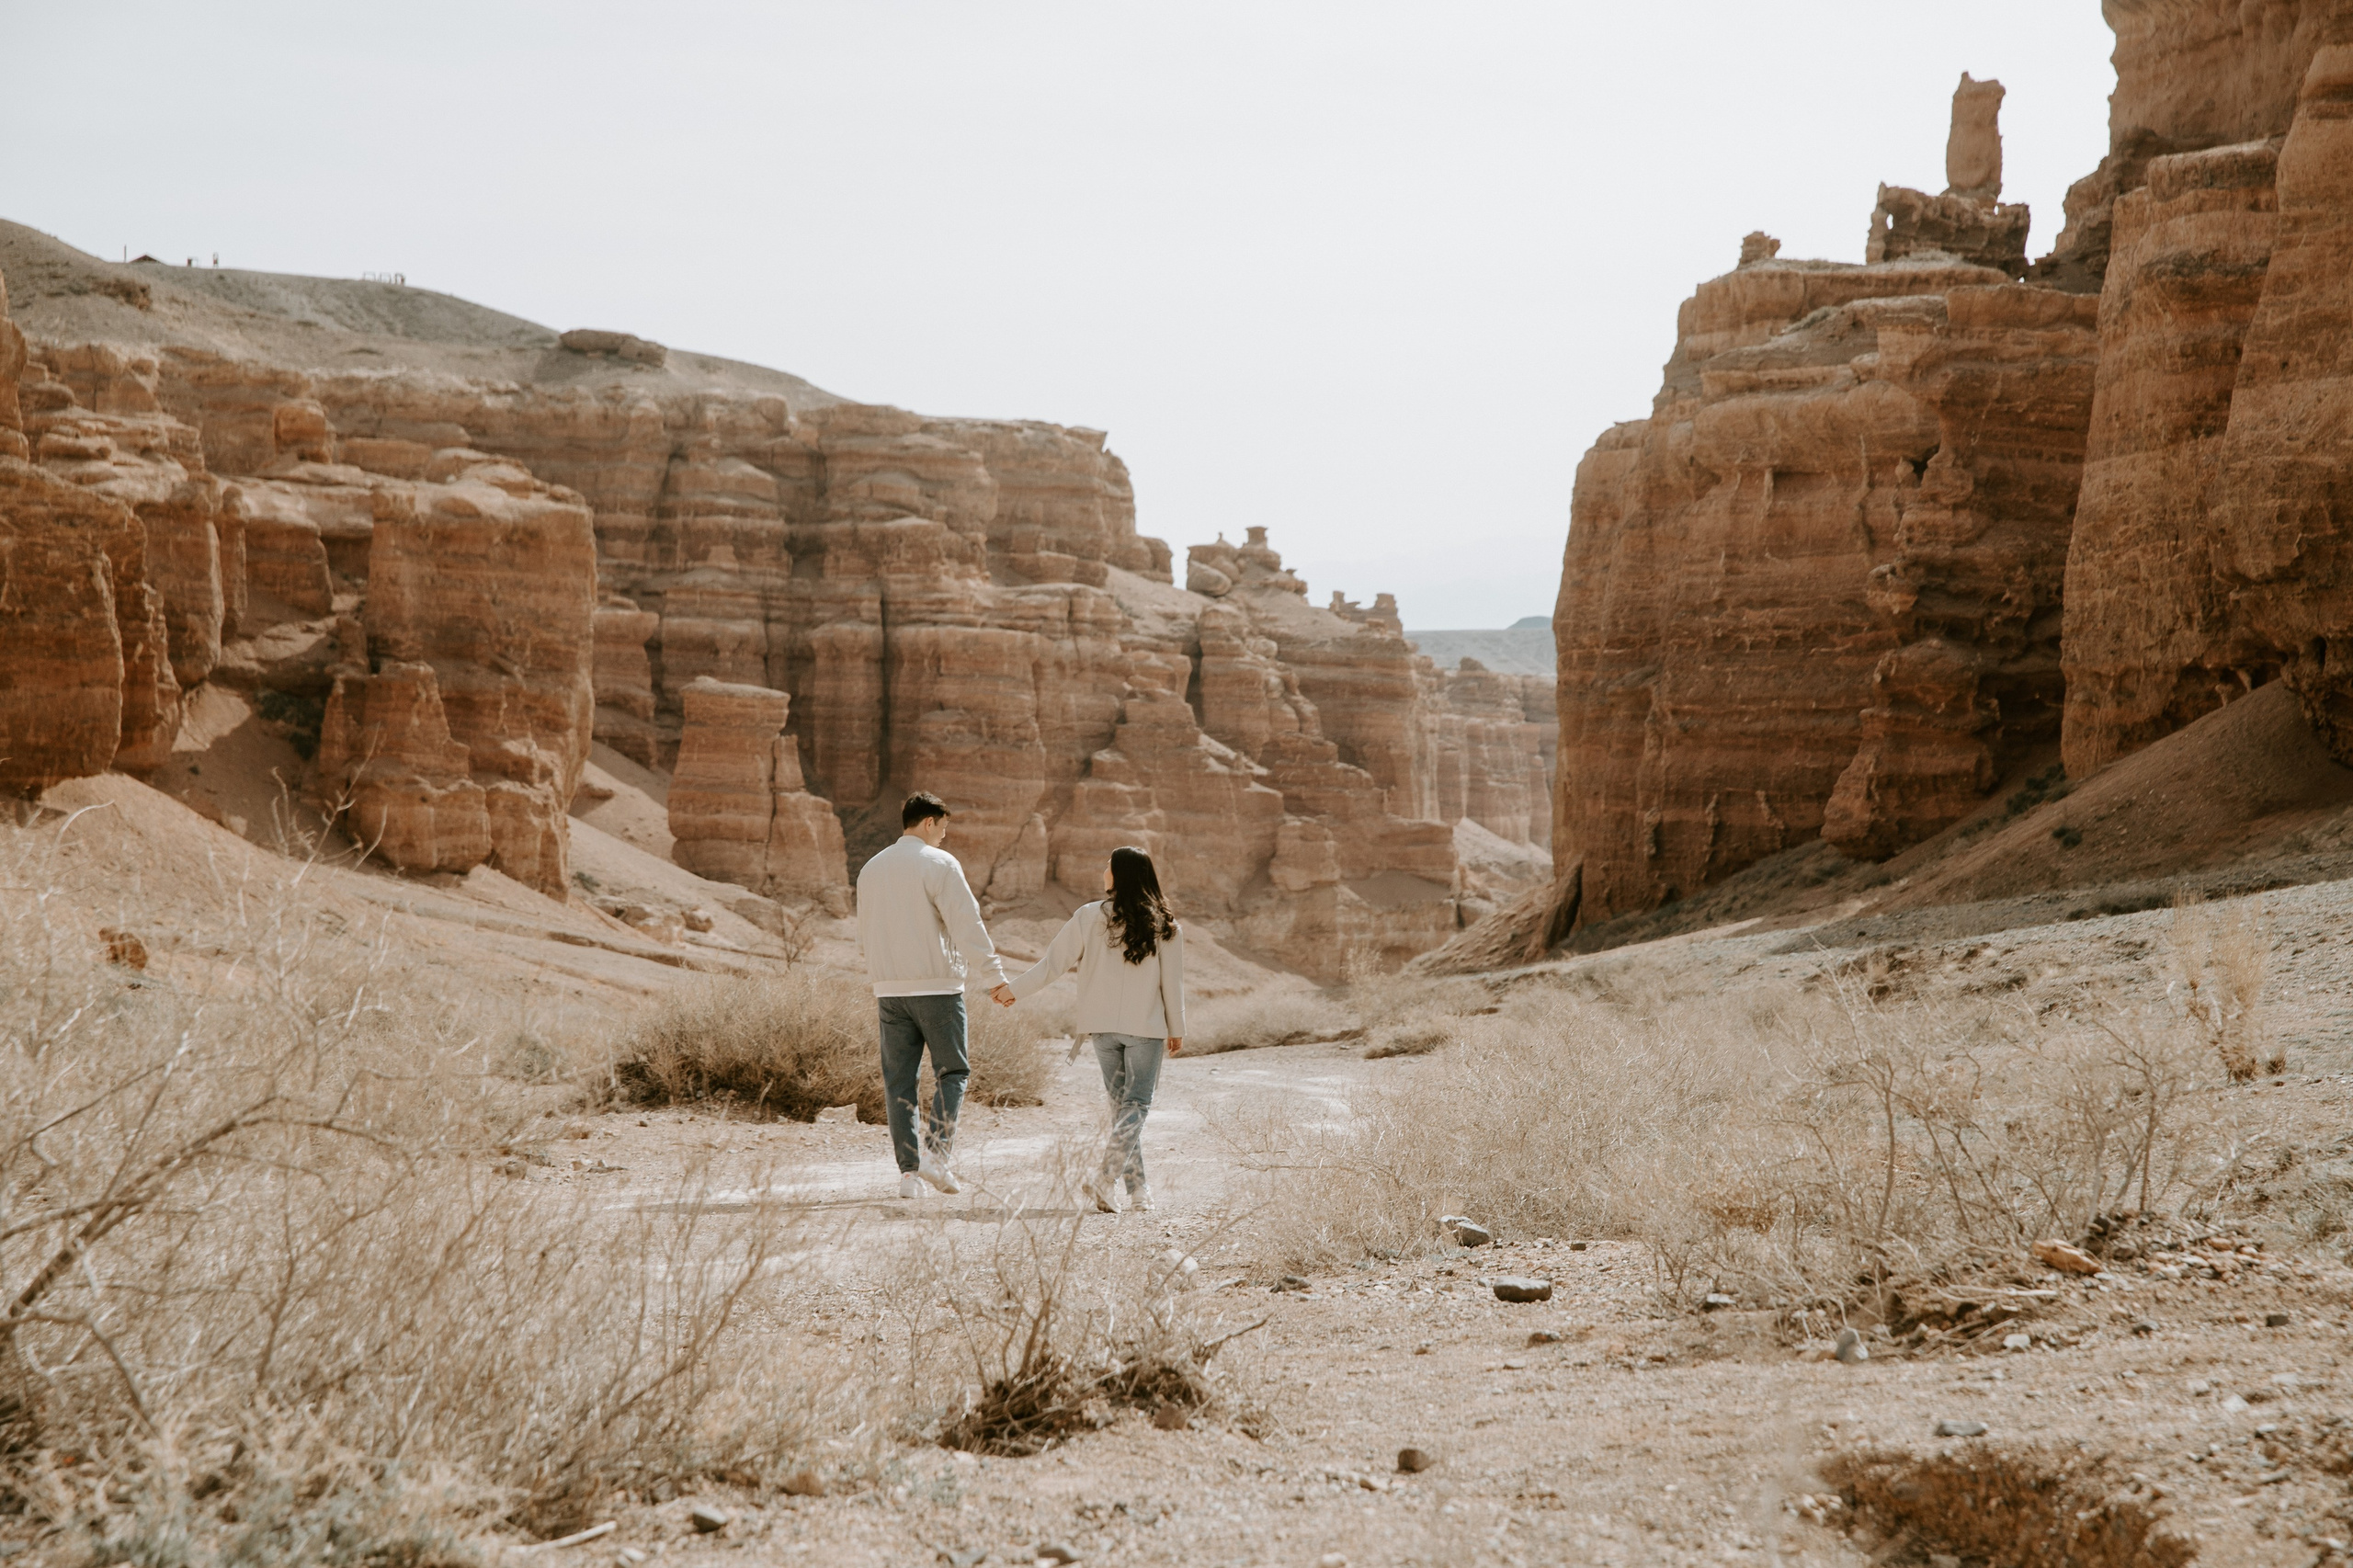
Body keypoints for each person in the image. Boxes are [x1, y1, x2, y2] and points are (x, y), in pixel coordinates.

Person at [1000, 846, 1184, 1213]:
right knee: (1135, 1106)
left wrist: (1013, 991)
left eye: (1108, 866)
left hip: (1101, 1029)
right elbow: (1172, 983)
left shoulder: (1087, 916)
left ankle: (1138, 1191)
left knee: (1123, 1110)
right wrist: (1176, 1027)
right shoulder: (1166, 925)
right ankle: (1106, 1180)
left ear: (1120, 875)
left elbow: (1052, 964)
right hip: (1144, 1028)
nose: (1103, 872)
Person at [855, 792, 1015, 1199]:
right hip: (938, 989)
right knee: (953, 1072)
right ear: (929, 822)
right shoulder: (940, 863)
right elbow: (967, 924)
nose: (944, 835)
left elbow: (863, 934)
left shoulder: (871, 869)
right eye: (942, 827)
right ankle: (937, 1155)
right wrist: (994, 977)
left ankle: (909, 1177)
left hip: (889, 992)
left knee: (899, 1083)